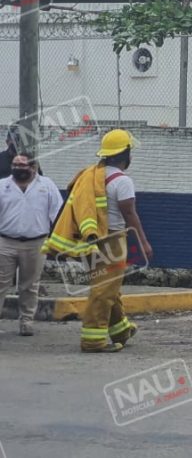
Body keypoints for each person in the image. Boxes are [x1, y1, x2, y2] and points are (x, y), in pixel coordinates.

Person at [44, 129, 152, 353]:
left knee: (108, 288)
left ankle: (121, 330)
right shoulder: (122, 181)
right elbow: (130, 215)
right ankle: (93, 340)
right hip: (112, 242)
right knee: (103, 292)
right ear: (126, 153)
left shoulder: (91, 175)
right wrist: (143, 242)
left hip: (92, 241)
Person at [0, 153, 63, 336]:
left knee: (29, 285)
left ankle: (26, 321)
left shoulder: (47, 186)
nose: (17, 168)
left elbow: (57, 214)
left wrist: (55, 241)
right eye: (15, 165)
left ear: (33, 167)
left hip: (37, 243)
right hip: (5, 242)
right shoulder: (3, 186)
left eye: (22, 165)